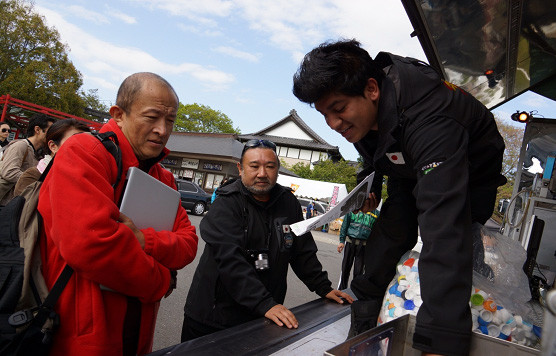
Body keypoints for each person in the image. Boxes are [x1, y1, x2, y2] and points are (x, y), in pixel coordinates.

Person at [293, 40, 506, 356]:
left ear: (372, 89)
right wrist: (371, 186)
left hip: (470, 172)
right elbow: (375, 152)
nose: (334, 124)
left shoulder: (431, 117)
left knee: (454, 236)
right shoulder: (367, 115)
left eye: (338, 109)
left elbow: (444, 231)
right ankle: (364, 309)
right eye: (325, 114)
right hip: (407, 162)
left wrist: (438, 343)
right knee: (392, 228)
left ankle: (459, 321)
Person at [38, 72, 199, 356]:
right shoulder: (84, 151)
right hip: (82, 335)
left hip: (137, 333)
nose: (163, 130)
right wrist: (162, 280)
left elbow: (188, 243)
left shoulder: (164, 178)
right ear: (119, 114)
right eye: (152, 117)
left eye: (170, 120)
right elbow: (92, 245)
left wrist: (143, 241)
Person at [181, 139, 353, 341]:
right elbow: (231, 261)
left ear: (278, 169)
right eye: (254, 166)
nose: (262, 173)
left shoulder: (288, 203)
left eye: (270, 166)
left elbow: (302, 252)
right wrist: (265, 303)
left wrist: (324, 287)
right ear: (240, 168)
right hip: (213, 318)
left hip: (260, 317)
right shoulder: (226, 203)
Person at [14, 118, 91, 196]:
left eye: (86, 143)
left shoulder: (88, 179)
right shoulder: (32, 177)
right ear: (53, 146)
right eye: (75, 143)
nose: (82, 148)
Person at [0, 114, 54, 205]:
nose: (53, 135)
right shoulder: (21, 145)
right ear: (37, 130)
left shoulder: (39, 151)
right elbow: (9, 172)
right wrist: (33, 180)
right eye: (50, 131)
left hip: (15, 201)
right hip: (5, 202)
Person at [337, 209, 379, 290]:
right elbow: (345, 224)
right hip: (350, 242)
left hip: (364, 246)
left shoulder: (376, 214)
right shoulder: (354, 209)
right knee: (345, 269)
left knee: (358, 272)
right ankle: (341, 290)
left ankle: (354, 292)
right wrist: (342, 241)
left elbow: (376, 232)